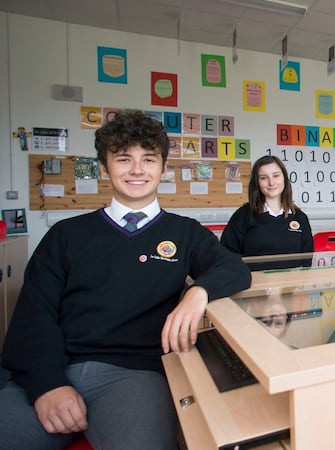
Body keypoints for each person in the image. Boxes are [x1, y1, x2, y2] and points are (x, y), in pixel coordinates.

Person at [0, 111, 252, 449]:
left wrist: (198, 293)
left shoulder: (185, 232)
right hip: (53, 370)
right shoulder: (65, 236)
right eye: (123, 159)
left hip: (135, 378)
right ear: (104, 168)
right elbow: (33, 316)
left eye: (148, 159)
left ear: (163, 169)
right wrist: (48, 385)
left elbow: (235, 268)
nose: (136, 170)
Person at [221, 155, 313, 270]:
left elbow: (307, 260)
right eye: (263, 178)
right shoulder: (243, 215)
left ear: (284, 177)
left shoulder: (300, 217)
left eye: (276, 176)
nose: (271, 182)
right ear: (257, 182)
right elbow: (227, 255)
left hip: (291, 285)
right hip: (253, 285)